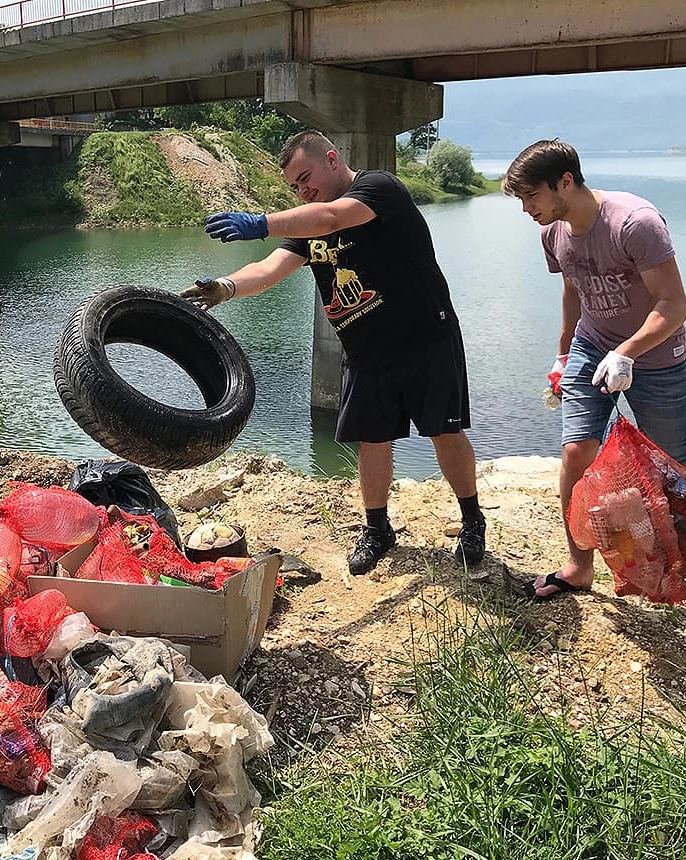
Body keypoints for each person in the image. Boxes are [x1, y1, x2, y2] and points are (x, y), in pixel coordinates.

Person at [178, 130, 485, 576]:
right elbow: (269, 269)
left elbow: (330, 218)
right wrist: (225, 287)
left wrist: (261, 222)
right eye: (295, 187)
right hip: (365, 349)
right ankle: (378, 529)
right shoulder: (309, 221)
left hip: (425, 339)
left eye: (306, 178)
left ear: (333, 159)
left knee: (445, 432)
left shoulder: (379, 189)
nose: (303, 191)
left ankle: (472, 520)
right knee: (372, 440)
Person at [502, 138, 686, 618]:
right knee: (576, 452)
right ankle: (579, 566)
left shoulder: (635, 223)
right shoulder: (554, 232)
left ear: (566, 181)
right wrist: (565, 355)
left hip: (657, 357)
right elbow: (572, 290)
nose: (526, 209)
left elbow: (674, 306)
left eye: (531, 197)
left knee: (678, 469)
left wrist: (627, 353)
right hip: (591, 345)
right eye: (520, 200)